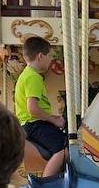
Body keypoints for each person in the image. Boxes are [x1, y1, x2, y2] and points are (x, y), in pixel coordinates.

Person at [15, 36, 68, 178]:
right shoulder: (34, 77)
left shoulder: (26, 75)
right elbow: (32, 109)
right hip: (34, 125)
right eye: (49, 56)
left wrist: (53, 117)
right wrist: (55, 120)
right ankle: (45, 184)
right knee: (63, 148)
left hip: (30, 124)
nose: (51, 60)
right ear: (40, 56)